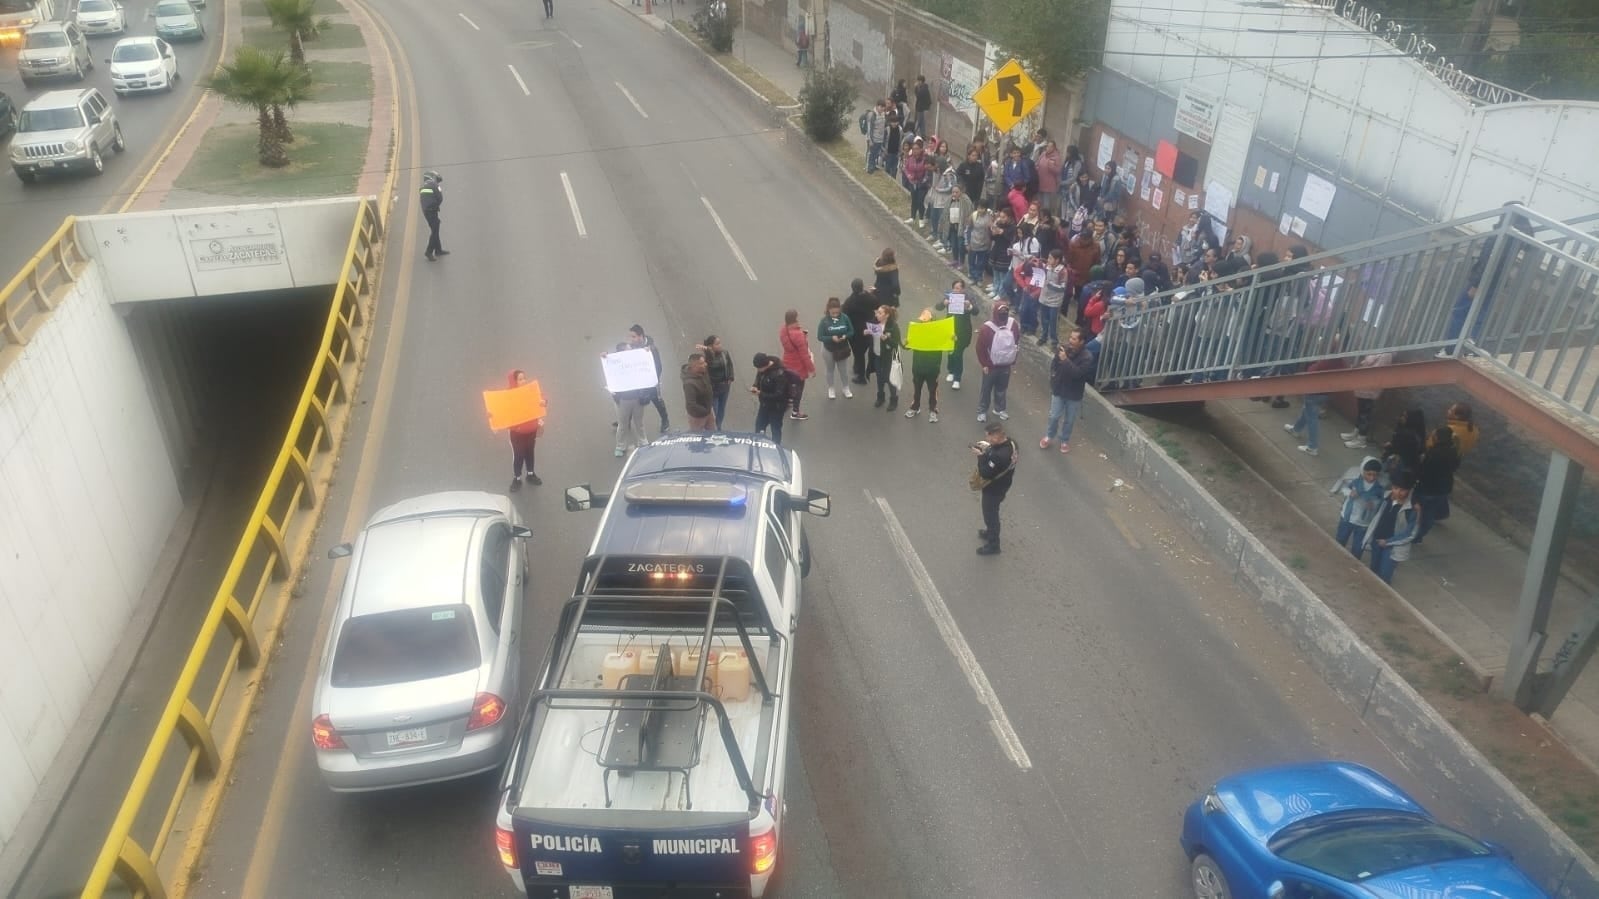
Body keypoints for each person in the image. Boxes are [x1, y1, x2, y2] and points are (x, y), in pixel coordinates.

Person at [1042, 328, 1096, 454]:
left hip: (1074, 394)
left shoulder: (1087, 357)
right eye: (1070, 337)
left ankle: (1064, 440)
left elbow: (1077, 374)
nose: (1070, 340)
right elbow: (1054, 364)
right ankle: (1049, 436)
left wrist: (1065, 360)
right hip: (1059, 389)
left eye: (1074, 339)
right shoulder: (1063, 349)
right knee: (1054, 416)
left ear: (1081, 341)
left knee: (1069, 420)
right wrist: (1054, 378)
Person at [1362, 474, 1418, 584]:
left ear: (1409, 490)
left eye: (1402, 490)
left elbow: (1410, 534)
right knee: (1373, 568)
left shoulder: (1412, 509)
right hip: (1377, 540)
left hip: (1392, 547)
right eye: (1395, 488)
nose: (1397, 492)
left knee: (1384, 574)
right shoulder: (1386, 497)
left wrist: (1388, 542)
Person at [973, 421, 1018, 555]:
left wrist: (980, 456)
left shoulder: (1000, 456)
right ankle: (989, 532)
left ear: (996, 436)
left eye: (988, 436)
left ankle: (993, 545)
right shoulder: (1012, 443)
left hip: (994, 489)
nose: (987, 438)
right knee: (991, 513)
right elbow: (996, 454)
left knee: (991, 516)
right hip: (1004, 483)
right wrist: (988, 448)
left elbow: (985, 472)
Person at [1412, 426, 1460, 545]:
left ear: (1438, 438)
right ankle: (1419, 535)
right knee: (1429, 514)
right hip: (1442, 489)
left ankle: (1412, 532)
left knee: (1416, 511)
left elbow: (1423, 470)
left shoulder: (1433, 453)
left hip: (1427, 488)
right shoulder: (1454, 451)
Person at [974, 302, 1021, 422]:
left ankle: (999, 409)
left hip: (1006, 364)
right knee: (986, 389)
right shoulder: (986, 328)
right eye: (1001, 311)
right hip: (990, 366)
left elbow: (1016, 341)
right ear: (995, 312)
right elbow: (980, 348)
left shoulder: (1013, 324)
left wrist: (1012, 358)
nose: (1004, 314)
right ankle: (982, 411)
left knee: (1002, 388)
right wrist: (984, 364)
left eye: (1006, 311)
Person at [1332, 457, 1387, 559]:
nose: (1372, 478)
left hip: (1364, 523)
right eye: (1369, 474)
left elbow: (1381, 502)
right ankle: (1336, 558)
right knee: (1340, 541)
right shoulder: (1354, 481)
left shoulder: (1379, 488)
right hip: (1348, 518)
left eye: (1375, 475)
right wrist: (1349, 492)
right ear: (1363, 471)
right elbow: (1343, 488)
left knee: (1358, 548)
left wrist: (1373, 505)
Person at [606, 342, 652, 458]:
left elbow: (647, 360)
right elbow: (607, 365)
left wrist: (647, 353)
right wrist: (604, 356)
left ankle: (643, 442)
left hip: (637, 398)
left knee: (639, 422)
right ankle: (620, 446)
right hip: (622, 400)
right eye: (628, 349)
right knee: (623, 424)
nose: (631, 351)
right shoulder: (615, 364)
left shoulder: (636, 360)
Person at [937, 278, 979, 390]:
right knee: (951, 352)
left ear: (963, 289)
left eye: (958, 288)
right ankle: (951, 371)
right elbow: (938, 307)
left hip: (963, 331)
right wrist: (943, 303)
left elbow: (976, 311)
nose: (956, 290)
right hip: (950, 328)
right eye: (954, 288)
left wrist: (969, 306)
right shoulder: (949, 296)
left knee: (958, 354)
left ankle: (957, 378)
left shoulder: (968, 297)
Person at [504, 370, 543, 489]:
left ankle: (530, 474)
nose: (523, 381)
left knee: (530, 452)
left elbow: (540, 400)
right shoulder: (508, 395)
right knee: (519, 455)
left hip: (531, 430)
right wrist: (493, 416)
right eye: (520, 379)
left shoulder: (529, 390)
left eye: (524, 378)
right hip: (517, 433)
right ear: (514, 381)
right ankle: (517, 478)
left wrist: (543, 402)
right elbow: (500, 411)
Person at [627, 324, 670, 431]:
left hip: (651, 381)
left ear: (641, 336)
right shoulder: (631, 347)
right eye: (630, 337)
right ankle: (625, 420)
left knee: (656, 399)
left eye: (633, 337)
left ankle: (665, 420)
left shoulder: (652, 349)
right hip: (638, 380)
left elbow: (658, 367)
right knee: (631, 398)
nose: (631, 340)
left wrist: (653, 380)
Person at [904, 308, 942, 423]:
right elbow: (907, 347)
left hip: (933, 368)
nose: (923, 322)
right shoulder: (917, 330)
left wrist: (953, 339)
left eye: (926, 321)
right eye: (922, 320)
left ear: (932, 320)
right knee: (917, 389)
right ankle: (915, 407)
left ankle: (933, 410)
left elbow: (949, 347)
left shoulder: (939, 333)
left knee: (932, 390)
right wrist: (905, 343)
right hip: (918, 367)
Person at [778, 310, 815, 420]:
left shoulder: (783, 330)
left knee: (789, 385)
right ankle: (795, 412)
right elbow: (804, 355)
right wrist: (812, 369)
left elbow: (790, 343)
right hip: (798, 367)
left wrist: (802, 335)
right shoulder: (798, 335)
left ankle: (787, 402)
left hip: (787, 362)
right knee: (798, 389)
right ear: (795, 318)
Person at [817, 297, 854, 399]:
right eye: (833, 313)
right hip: (828, 349)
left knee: (843, 370)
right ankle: (831, 388)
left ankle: (845, 387)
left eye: (837, 313)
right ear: (828, 310)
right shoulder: (824, 321)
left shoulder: (845, 318)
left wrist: (845, 336)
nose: (835, 315)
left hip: (842, 348)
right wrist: (831, 338)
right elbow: (820, 337)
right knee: (830, 369)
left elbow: (851, 331)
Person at [842, 279, 878, 385]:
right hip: (871, 327)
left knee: (859, 354)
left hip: (857, 331)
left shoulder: (850, 301)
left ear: (852, 288)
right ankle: (862, 367)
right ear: (862, 286)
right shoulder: (870, 297)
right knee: (869, 349)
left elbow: (844, 315)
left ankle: (861, 376)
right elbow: (877, 304)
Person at [750, 354, 790, 444]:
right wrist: (755, 385)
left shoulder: (779, 374)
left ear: (765, 365)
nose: (758, 370)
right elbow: (759, 377)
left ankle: (776, 446)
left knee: (775, 429)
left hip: (776, 407)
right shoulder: (762, 370)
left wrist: (761, 393)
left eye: (759, 368)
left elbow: (779, 395)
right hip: (764, 405)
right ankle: (758, 444)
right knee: (759, 426)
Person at [699, 335, 735, 429]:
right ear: (711, 346)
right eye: (717, 344)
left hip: (725, 387)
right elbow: (709, 365)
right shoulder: (706, 358)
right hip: (714, 389)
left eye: (720, 343)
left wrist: (731, 377)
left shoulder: (725, 353)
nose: (720, 345)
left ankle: (718, 427)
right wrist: (708, 351)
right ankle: (713, 429)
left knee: (721, 410)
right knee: (714, 411)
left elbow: (730, 365)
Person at [870, 304, 901, 411]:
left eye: (880, 313)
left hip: (888, 358)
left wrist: (886, 339)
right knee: (879, 378)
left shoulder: (893, 327)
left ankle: (893, 400)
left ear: (886, 315)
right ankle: (880, 397)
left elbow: (896, 343)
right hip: (877, 355)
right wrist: (868, 332)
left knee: (890, 379)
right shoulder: (875, 323)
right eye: (877, 312)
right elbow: (873, 336)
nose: (877, 315)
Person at [418, 171, 448, 261]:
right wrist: (436, 206)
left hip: (426, 211)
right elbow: (440, 198)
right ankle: (429, 252)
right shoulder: (435, 185)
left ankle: (438, 250)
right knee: (435, 231)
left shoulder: (423, 186)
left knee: (435, 229)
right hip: (432, 211)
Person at [681, 353, 715, 431]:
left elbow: (711, 361)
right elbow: (691, 404)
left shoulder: (703, 371)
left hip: (708, 410)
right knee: (698, 435)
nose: (705, 364)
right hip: (697, 417)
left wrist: (708, 351)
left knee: (713, 433)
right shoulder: (689, 384)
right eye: (702, 363)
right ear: (695, 366)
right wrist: (705, 411)